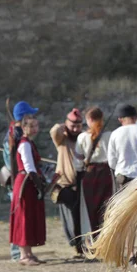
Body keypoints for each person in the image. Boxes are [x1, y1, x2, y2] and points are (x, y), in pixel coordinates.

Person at [108, 104, 137, 257]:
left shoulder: (115, 134)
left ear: (120, 119)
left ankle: (130, 252)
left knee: (128, 217)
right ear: (136, 117)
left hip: (124, 177)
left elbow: (111, 161)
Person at [9, 112, 46, 266]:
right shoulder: (24, 144)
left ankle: (29, 253)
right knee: (24, 218)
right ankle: (24, 255)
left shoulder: (29, 143)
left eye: (36, 125)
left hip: (29, 183)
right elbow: (29, 167)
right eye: (31, 126)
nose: (34, 129)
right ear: (24, 127)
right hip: (25, 183)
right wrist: (39, 186)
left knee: (29, 217)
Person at [2, 101, 37, 261]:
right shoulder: (14, 135)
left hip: (19, 181)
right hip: (18, 181)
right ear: (25, 117)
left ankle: (22, 253)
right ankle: (18, 254)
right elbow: (13, 161)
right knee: (19, 218)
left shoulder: (15, 133)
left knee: (22, 217)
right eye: (30, 114)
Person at [50, 108, 87, 258]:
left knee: (81, 217)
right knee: (71, 218)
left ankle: (82, 246)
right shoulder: (62, 139)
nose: (75, 129)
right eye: (72, 126)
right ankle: (76, 246)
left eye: (78, 126)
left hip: (81, 186)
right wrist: (65, 124)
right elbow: (54, 130)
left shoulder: (83, 138)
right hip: (65, 186)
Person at [75, 107, 113, 234]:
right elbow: (113, 157)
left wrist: (81, 168)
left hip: (90, 174)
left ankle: (94, 236)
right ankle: (105, 236)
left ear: (89, 119)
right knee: (106, 207)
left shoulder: (82, 137)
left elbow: (78, 161)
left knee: (91, 208)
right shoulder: (109, 136)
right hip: (106, 173)